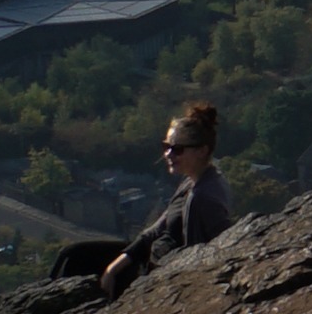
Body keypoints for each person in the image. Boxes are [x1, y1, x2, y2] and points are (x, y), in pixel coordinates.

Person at [56, 103, 234, 293]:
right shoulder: (193, 181)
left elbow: (197, 256)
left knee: (75, 265)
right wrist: (114, 268)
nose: (168, 154)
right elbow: (156, 230)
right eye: (166, 146)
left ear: (202, 150)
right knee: (71, 255)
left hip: (158, 273)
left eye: (178, 149)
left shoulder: (202, 197)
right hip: (150, 258)